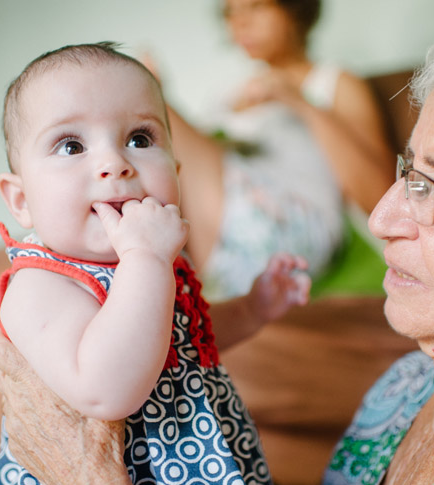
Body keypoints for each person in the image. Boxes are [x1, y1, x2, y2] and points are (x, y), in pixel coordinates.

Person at [0, 2, 434, 485]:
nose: (381, 216)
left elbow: (185, 337)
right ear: (19, 196)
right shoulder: (410, 382)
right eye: (409, 172)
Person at [0, 43, 313, 485]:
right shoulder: (39, 284)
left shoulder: (156, 263)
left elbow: (185, 340)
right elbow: (105, 391)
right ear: (21, 200)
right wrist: (145, 261)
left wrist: (253, 309)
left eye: (140, 138)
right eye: (71, 146)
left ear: (176, 175)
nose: (114, 163)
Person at [155, 0, 394, 300]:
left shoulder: (332, 82)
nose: (240, 23)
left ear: (294, 10)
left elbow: (379, 194)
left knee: (158, 110)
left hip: (295, 225)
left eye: (255, 7)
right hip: (217, 221)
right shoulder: (225, 96)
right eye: (231, 13)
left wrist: (299, 102)